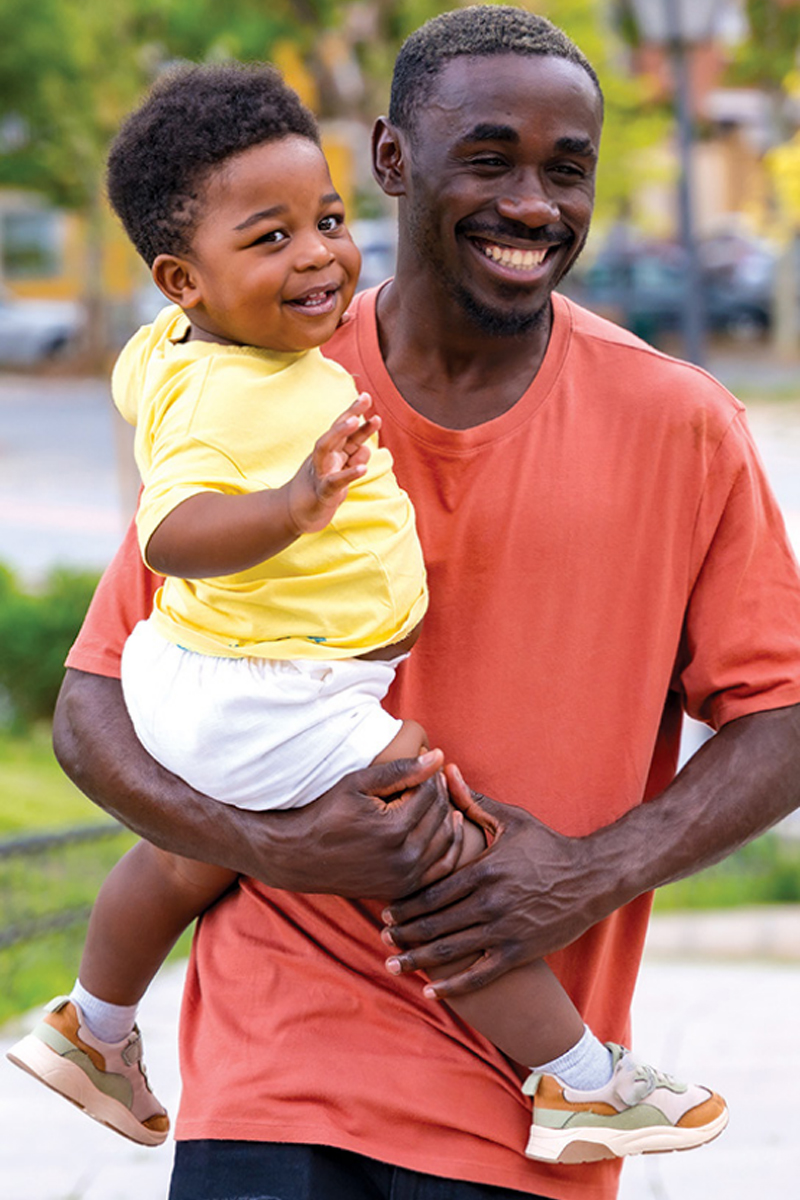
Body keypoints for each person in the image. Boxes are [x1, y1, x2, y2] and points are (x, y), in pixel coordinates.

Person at [34, 6, 800, 1199]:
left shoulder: (680, 423)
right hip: (270, 1079)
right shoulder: (260, 382)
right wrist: (265, 843)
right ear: (393, 159)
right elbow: (92, 707)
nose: (533, 204)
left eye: (567, 168)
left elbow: (780, 716)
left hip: (521, 1112)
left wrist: (591, 872)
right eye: (488, 159)